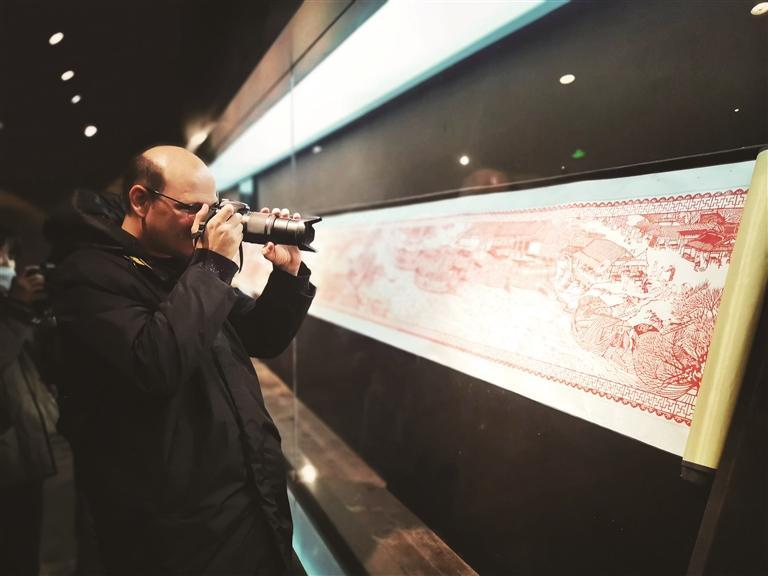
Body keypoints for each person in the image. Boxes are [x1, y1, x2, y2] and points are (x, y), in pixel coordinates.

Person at [50, 145, 316, 575]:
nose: (203, 222)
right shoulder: (89, 276)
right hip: (179, 530)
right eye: (191, 208)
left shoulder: (183, 267)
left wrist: (286, 276)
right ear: (141, 200)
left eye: (211, 208)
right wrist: (211, 266)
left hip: (250, 504)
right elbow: (155, 365)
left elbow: (261, 336)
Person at [0, 229, 59, 576]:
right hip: (7, 459)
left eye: (8, 255)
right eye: (1, 256)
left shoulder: (9, 305)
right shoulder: (11, 309)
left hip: (22, 453)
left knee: (24, 551)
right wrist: (18, 308)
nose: (7, 263)